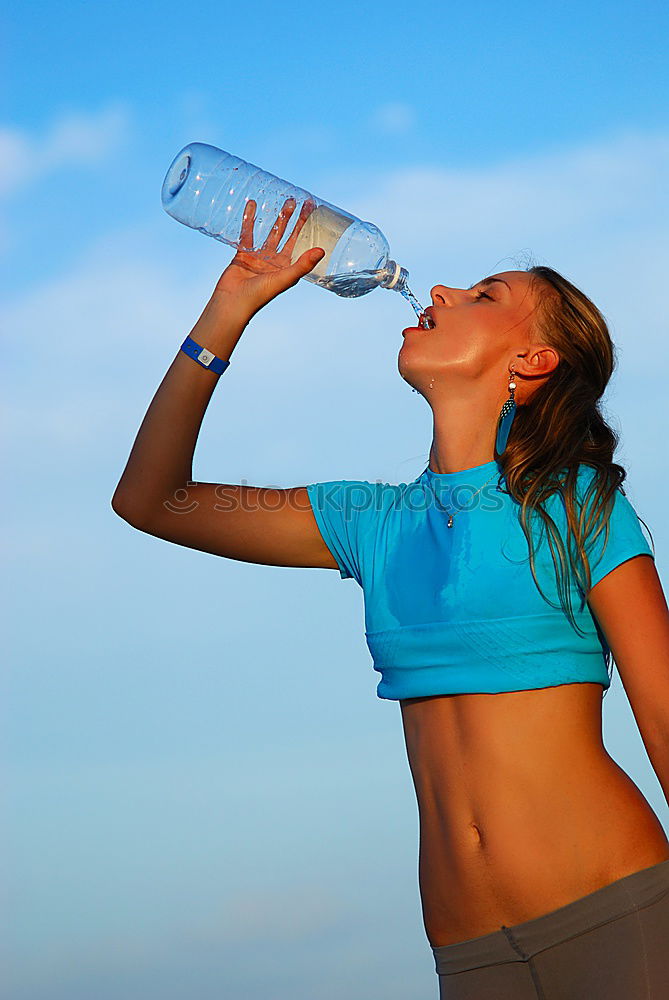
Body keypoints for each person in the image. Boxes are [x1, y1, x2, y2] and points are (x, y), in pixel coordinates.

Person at [112, 196, 669, 998]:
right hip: (468, 949)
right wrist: (230, 302)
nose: (439, 292)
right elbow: (151, 500)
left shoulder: (577, 504)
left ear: (532, 361)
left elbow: (660, 712)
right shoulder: (368, 520)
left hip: (616, 911)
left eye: (483, 296)